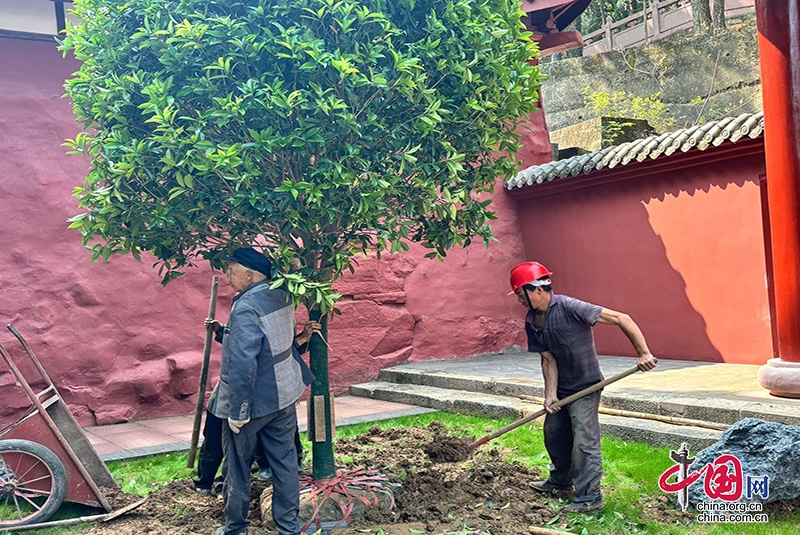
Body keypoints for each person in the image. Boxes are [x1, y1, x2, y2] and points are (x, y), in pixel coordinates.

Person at [509, 261, 657, 513]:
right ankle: (561, 482)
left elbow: (622, 318)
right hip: (563, 389)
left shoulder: (569, 306)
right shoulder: (532, 320)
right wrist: (550, 395)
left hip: (586, 387)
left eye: (519, 293)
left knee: (584, 441)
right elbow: (548, 359)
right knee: (554, 434)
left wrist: (643, 353)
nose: (518, 299)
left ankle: (590, 497)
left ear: (535, 289)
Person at [211, 247, 315, 535]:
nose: (228, 276)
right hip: (284, 394)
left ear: (249, 273)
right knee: (285, 463)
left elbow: (243, 362)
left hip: (254, 402)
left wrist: (238, 411)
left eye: (231, 271)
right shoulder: (281, 294)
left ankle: (235, 528)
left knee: (237, 467)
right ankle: (289, 527)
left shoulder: (246, 308)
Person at [194, 319, 320, 494]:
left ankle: (273, 469)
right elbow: (245, 347)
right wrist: (221, 330)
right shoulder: (247, 311)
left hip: (267, 393)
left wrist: (303, 339)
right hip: (231, 390)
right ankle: (205, 482)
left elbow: (282, 355)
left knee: (273, 430)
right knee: (215, 438)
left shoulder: (280, 313)